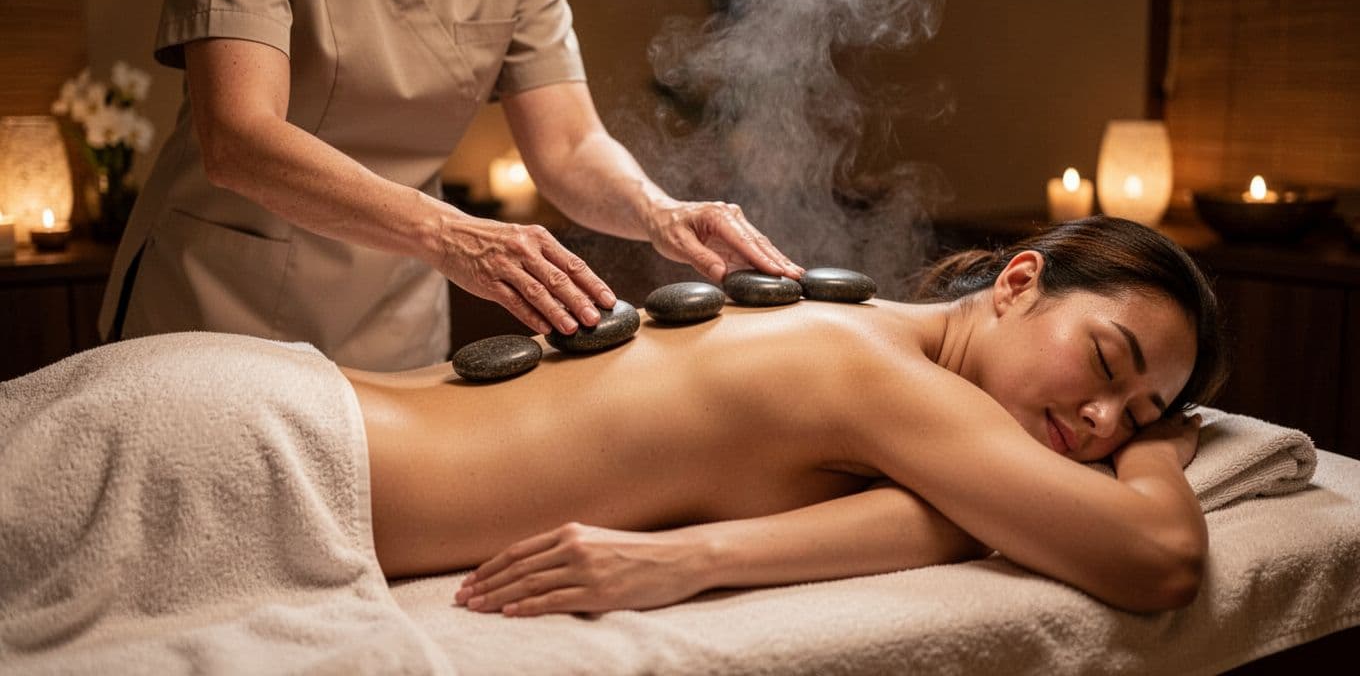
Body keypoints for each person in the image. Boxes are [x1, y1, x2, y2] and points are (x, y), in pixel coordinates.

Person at [343, 216, 1228, 615]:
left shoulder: (880, 356)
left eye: (1134, 414)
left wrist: (683, 559)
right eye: (1108, 363)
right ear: (1019, 281)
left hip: (321, 427)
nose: (1101, 418)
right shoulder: (882, 373)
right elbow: (1161, 562)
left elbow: (953, 522)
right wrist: (1155, 451)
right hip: (302, 453)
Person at [99, 0, 800, 371]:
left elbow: (569, 146)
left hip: (391, 304)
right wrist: (450, 233)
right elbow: (238, 136)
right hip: (223, 300)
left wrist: (658, 213)